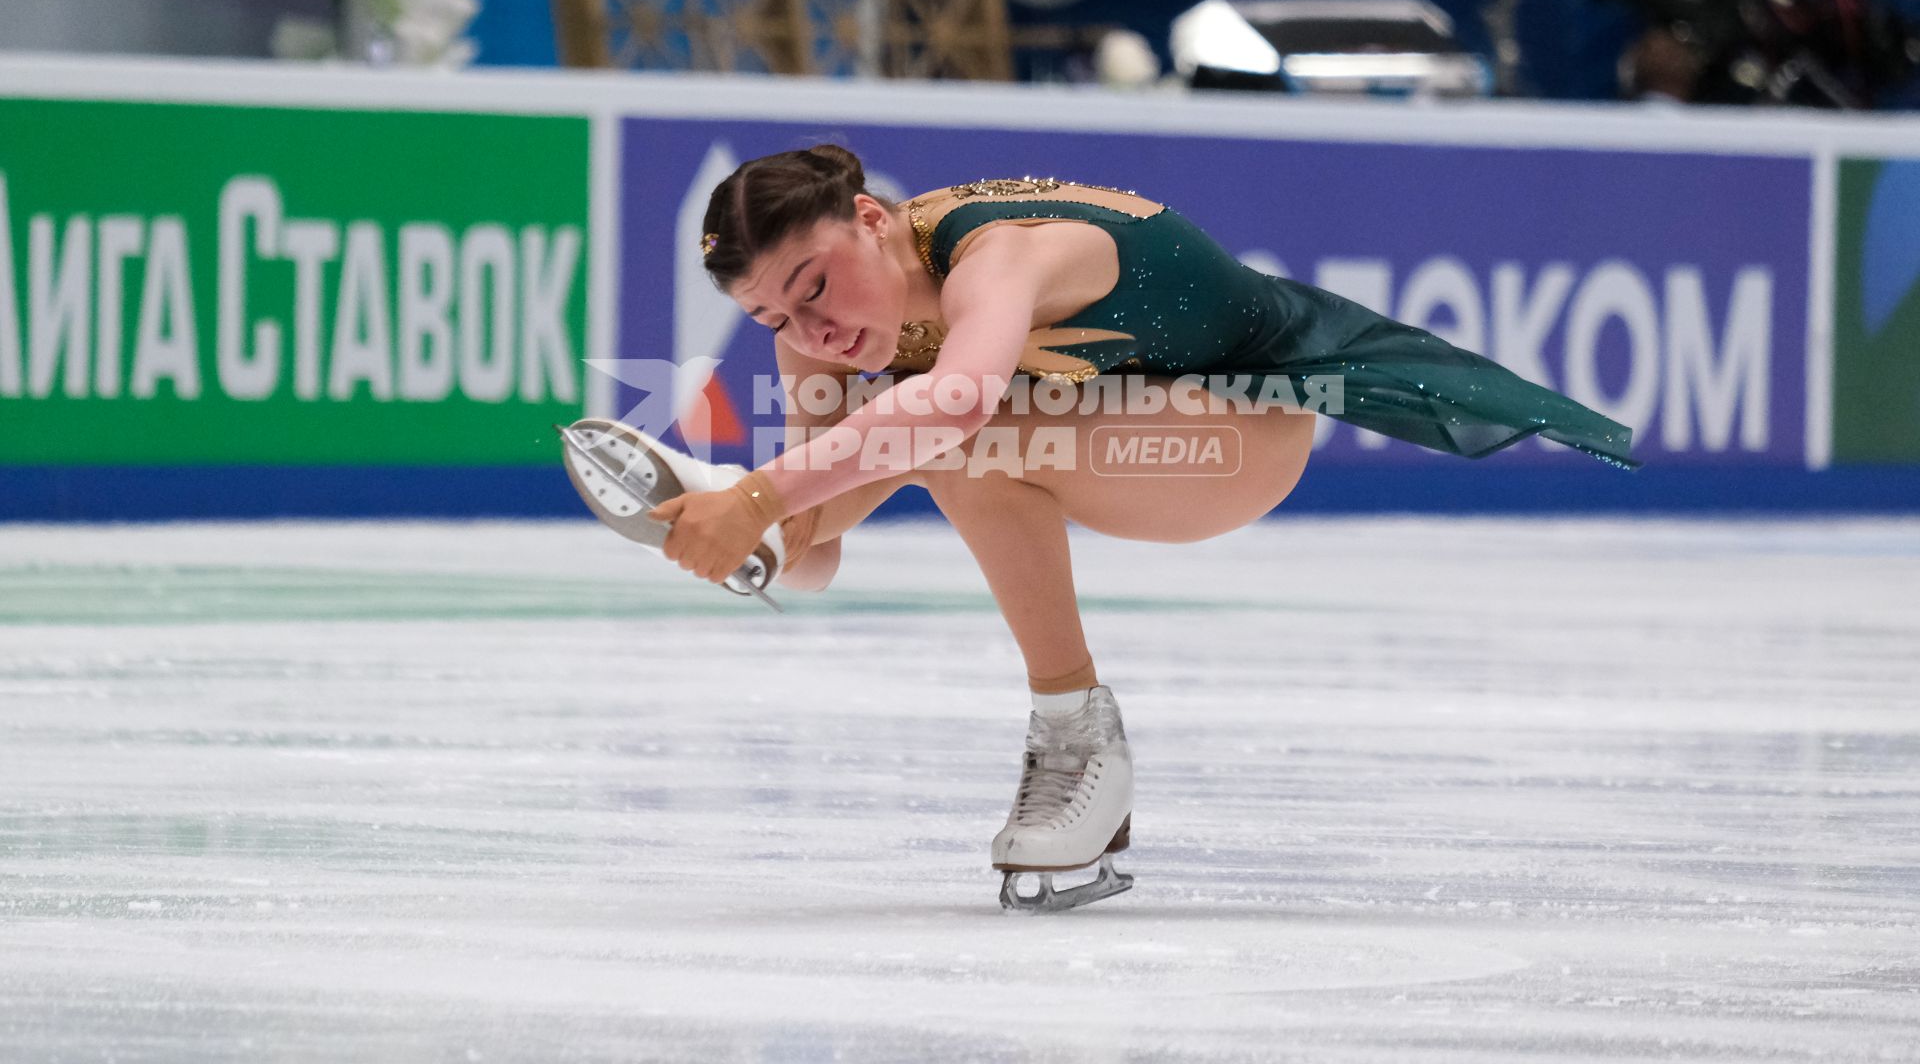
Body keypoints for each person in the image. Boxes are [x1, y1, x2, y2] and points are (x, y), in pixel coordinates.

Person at [567, 146, 1639, 913]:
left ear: (873, 219)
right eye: (775, 321)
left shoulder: (1005, 254)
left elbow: (948, 406)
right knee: (946, 450)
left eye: (814, 285)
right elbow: (822, 549)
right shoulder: (827, 342)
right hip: (1096, 437)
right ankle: (1073, 726)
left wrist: (756, 499)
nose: (813, 329)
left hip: (1239, 428)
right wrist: (740, 541)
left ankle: (1078, 737)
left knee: (952, 426)